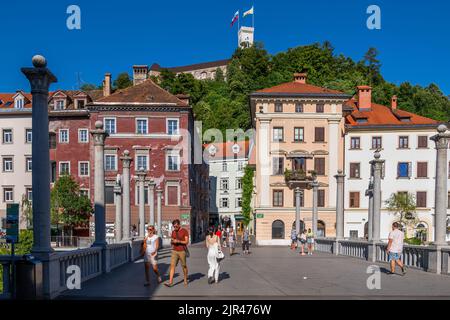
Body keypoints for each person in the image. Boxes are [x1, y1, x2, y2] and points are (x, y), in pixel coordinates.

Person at [164, 219, 189, 287]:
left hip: (182, 251)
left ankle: (185, 278)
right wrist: (172, 241)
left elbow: (186, 242)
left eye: (176, 226)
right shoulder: (173, 232)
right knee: (172, 266)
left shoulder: (184, 231)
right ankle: (170, 282)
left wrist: (178, 241)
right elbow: (172, 241)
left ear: (179, 225)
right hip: (174, 251)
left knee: (184, 266)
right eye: (174, 226)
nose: (175, 228)